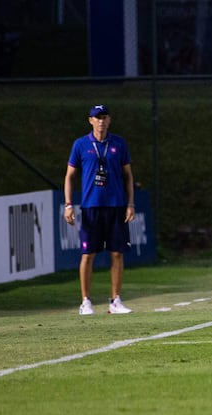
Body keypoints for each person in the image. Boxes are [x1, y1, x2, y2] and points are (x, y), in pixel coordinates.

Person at [64, 105, 135, 315]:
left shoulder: (118, 143)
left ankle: (115, 301)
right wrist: (68, 204)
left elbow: (128, 176)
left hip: (116, 205)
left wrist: (130, 203)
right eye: (97, 118)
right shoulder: (80, 145)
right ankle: (85, 301)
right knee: (88, 254)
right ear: (90, 121)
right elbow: (69, 176)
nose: (101, 121)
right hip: (91, 206)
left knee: (117, 253)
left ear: (109, 120)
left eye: (104, 117)